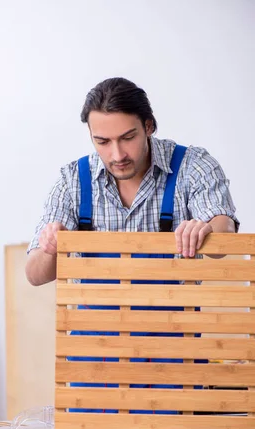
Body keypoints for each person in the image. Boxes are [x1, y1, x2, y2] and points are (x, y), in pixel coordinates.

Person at [26, 76, 238, 285]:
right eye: (103, 142)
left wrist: (207, 229)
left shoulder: (192, 165)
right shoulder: (73, 180)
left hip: (175, 318)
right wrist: (51, 247)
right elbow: (35, 275)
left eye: (127, 138)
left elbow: (223, 231)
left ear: (148, 126)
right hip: (94, 320)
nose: (117, 155)